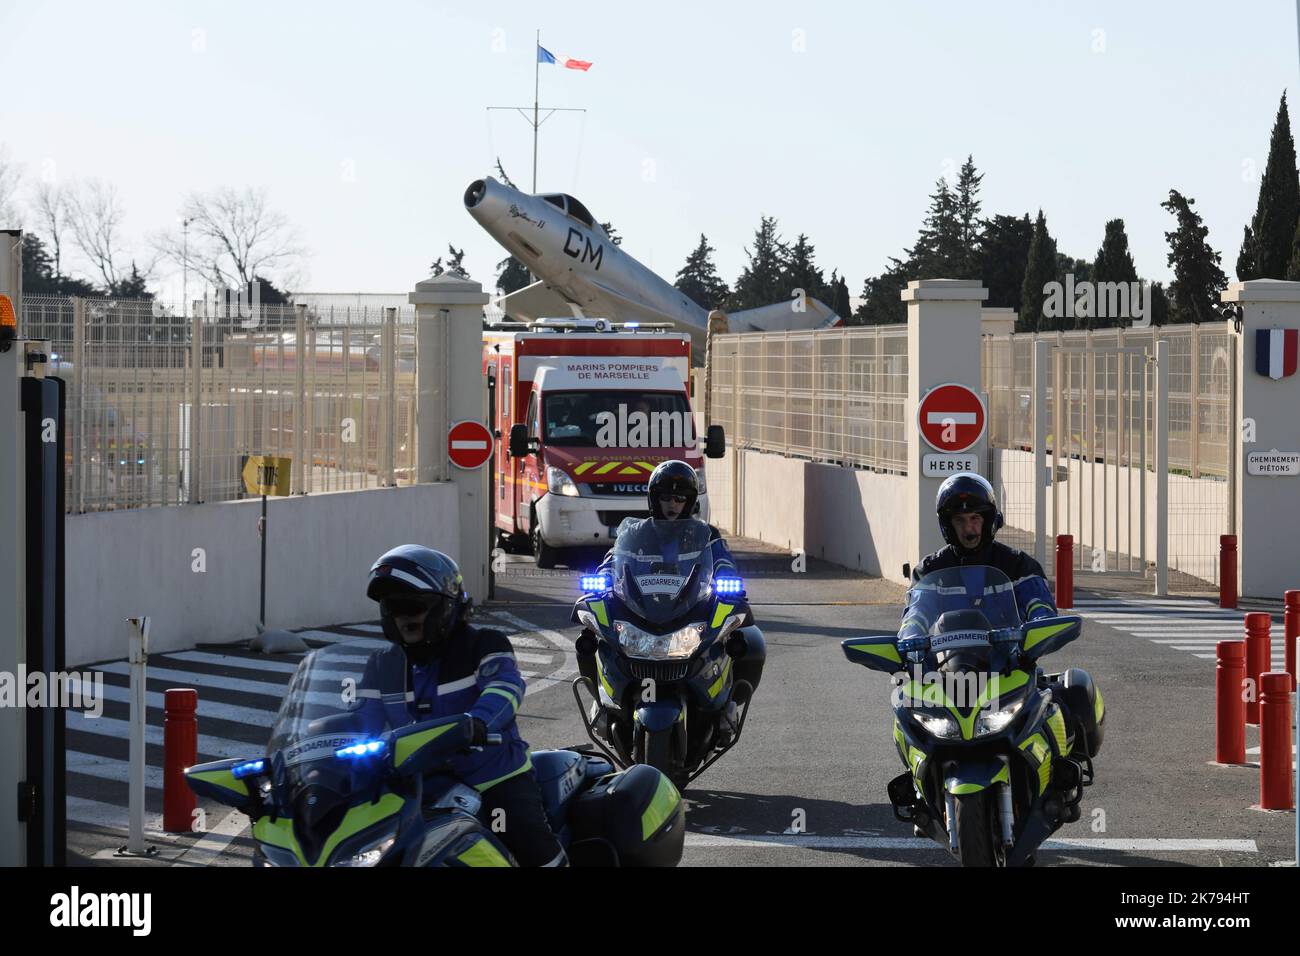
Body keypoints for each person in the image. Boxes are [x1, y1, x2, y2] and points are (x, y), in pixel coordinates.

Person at [357, 545, 566, 867]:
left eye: (412, 606)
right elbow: (360, 721)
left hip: (491, 777)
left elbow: (505, 687)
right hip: (412, 785)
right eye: (393, 608)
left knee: (532, 846)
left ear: (444, 606)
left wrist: (477, 723)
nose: (404, 617)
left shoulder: (484, 644)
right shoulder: (381, 665)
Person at [899, 473, 1104, 760]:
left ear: (988, 520)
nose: (969, 529)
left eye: (974, 519)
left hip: (1009, 667)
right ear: (948, 526)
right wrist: (908, 639)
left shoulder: (1018, 565)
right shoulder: (930, 570)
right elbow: (916, 613)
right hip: (946, 675)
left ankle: (1060, 781)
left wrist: (1042, 627)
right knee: (905, 706)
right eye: (960, 521)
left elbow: (1038, 605)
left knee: (1068, 699)